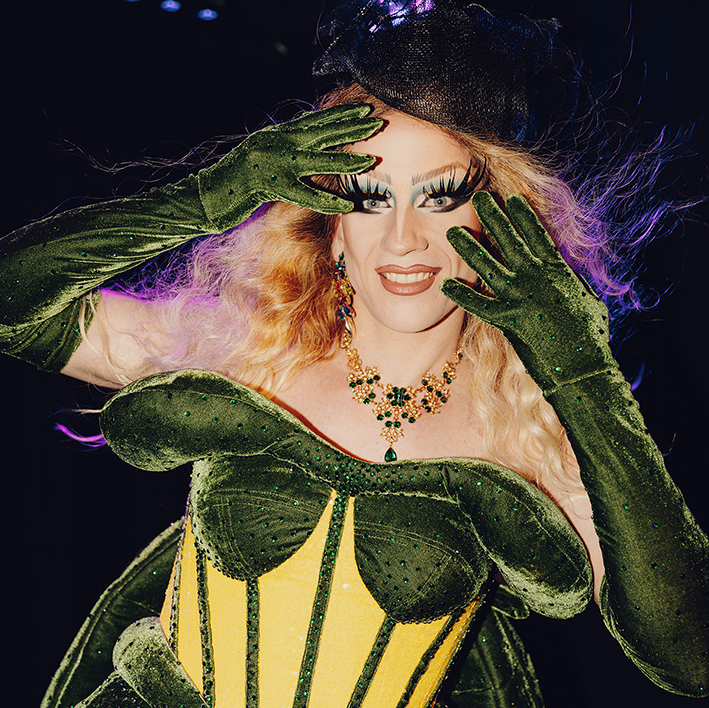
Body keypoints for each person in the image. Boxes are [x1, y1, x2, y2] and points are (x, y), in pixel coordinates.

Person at [3, 1, 707, 707]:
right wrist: (203, 201)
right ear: (332, 227)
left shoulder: (528, 436)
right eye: (369, 197)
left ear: (498, 217)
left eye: (439, 196)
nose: (403, 239)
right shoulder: (246, 351)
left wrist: (581, 374)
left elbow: (690, 656)